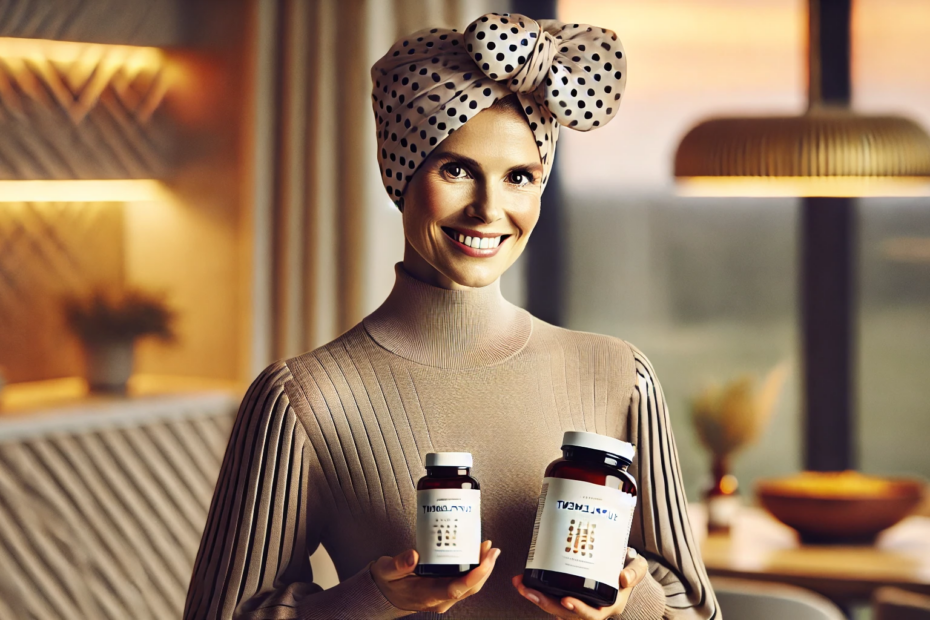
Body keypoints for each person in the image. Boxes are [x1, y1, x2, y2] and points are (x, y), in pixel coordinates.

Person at [185, 12, 718, 620]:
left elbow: (696, 612)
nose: (489, 208)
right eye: (457, 169)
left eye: (520, 176)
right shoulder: (303, 399)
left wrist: (630, 603)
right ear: (400, 175)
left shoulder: (619, 375)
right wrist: (376, 599)